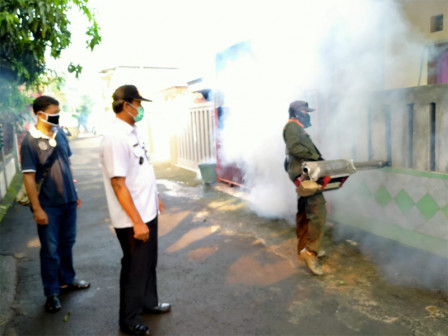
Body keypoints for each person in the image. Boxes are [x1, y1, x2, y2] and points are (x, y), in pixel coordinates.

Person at [100, 85, 170, 336]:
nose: (141, 108)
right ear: (127, 105)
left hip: (147, 209)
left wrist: (156, 196)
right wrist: (137, 222)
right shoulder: (114, 137)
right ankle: (128, 320)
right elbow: (118, 183)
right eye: (138, 103)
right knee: (134, 267)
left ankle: (149, 302)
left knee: (149, 262)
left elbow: (142, 168)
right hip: (132, 219)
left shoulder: (132, 131)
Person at [20, 95, 90, 313]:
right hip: (47, 204)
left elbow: (67, 163)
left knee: (67, 243)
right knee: (50, 250)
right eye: (54, 113)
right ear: (40, 114)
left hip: (68, 200)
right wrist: (37, 208)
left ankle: (67, 280)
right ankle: (51, 293)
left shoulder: (60, 134)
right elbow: (29, 177)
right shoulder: (30, 141)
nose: (57, 117)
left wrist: (74, 191)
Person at [283, 100, 327, 276]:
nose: (307, 114)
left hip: (304, 171)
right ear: (295, 112)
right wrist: (316, 158)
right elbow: (294, 148)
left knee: (304, 211)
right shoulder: (292, 126)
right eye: (304, 111)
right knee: (317, 210)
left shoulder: (297, 126)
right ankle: (311, 253)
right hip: (303, 172)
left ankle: (304, 248)